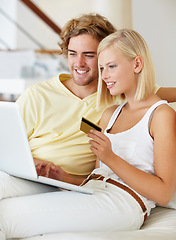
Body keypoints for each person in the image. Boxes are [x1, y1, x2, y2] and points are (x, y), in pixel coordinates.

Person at [0, 28, 175, 239]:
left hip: (124, 202)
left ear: (137, 64)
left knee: (6, 216)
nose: (105, 76)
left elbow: (163, 194)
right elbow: (97, 177)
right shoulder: (109, 114)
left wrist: (110, 157)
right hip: (92, 190)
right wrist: (62, 176)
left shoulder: (161, 114)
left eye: (111, 66)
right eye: (102, 68)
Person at [15, 13, 176, 186]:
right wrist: (30, 162)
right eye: (72, 53)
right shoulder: (37, 94)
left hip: (69, 184)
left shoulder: (121, 91)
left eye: (89, 55)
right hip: (27, 175)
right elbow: (7, 144)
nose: (79, 63)